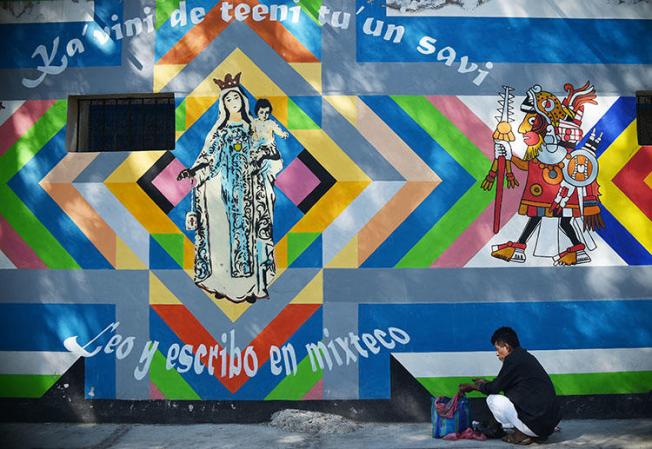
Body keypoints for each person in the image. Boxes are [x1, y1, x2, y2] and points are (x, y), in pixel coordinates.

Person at [177, 72, 276, 303]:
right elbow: (210, 157)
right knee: (223, 237)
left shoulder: (254, 128)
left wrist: (262, 159)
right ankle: (224, 285)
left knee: (251, 236)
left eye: (237, 99)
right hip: (225, 191)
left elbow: (268, 148)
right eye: (229, 100)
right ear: (224, 104)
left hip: (251, 190)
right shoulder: (220, 132)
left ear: (243, 100)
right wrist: (192, 171)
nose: (234, 103)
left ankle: (253, 286)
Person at [484, 82, 604, 266]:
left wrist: (561, 198)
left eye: (532, 122)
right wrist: (507, 155)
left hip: (560, 194)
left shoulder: (557, 154)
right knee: (541, 218)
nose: (524, 129)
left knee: (561, 221)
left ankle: (575, 250)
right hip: (547, 194)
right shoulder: (544, 153)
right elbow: (528, 165)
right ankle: (522, 247)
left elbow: (537, 166)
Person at [459, 327, 560, 445]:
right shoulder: (523, 357)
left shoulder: (512, 360)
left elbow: (494, 388)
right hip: (546, 427)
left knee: (493, 399)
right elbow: (501, 383)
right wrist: (485, 383)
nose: (496, 353)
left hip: (537, 425)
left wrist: (473, 387)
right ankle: (530, 433)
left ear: (506, 347)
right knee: (502, 397)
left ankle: (520, 434)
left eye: (497, 349)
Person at [250, 98, 287, 296]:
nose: (264, 115)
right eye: (262, 112)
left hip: (267, 153)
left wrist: (282, 134)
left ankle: (262, 280)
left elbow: (279, 132)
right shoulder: (254, 125)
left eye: (267, 112)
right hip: (257, 151)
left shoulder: (270, 126)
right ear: (257, 112)